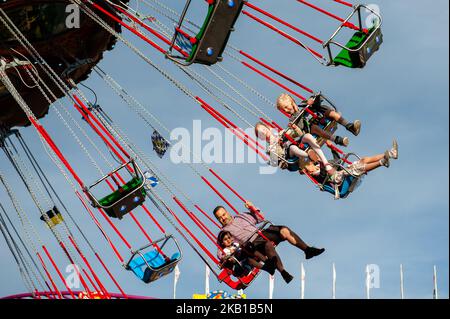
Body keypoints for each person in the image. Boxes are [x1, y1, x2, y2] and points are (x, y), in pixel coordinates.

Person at [213, 201, 325, 284]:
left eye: (223, 215)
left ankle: (307, 250)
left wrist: (252, 208)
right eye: (220, 218)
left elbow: (260, 218)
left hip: (261, 233)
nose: (223, 218)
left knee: (284, 230)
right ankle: (283, 272)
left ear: (227, 212)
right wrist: (225, 256)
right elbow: (221, 251)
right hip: (251, 244)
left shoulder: (241, 216)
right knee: (267, 245)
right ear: (218, 220)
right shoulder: (224, 232)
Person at [302, 140, 399, 188]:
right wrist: (321, 162)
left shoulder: (322, 165)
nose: (310, 163)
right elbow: (323, 174)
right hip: (337, 181)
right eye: (309, 164)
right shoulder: (317, 175)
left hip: (341, 174)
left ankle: (391, 154)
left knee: (363, 160)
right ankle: (382, 162)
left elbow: (338, 161)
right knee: (358, 167)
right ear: (309, 171)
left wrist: (332, 148)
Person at [276, 93, 362, 147]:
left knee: (331, 113)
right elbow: (301, 129)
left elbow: (318, 99)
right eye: (284, 110)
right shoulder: (293, 119)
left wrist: (312, 100)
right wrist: (294, 126)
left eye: (286, 107)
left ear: (291, 101)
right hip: (311, 126)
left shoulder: (303, 104)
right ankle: (338, 140)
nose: (286, 110)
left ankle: (350, 127)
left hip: (320, 116)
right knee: (315, 129)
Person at [255, 121, 337, 175]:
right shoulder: (270, 148)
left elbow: (299, 134)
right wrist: (274, 142)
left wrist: (295, 128)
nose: (264, 132)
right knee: (292, 148)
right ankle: (309, 155)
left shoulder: (282, 132)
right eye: (261, 133)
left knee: (307, 136)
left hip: (297, 143)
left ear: (268, 127)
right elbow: (279, 156)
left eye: (263, 129)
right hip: (289, 154)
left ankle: (326, 163)